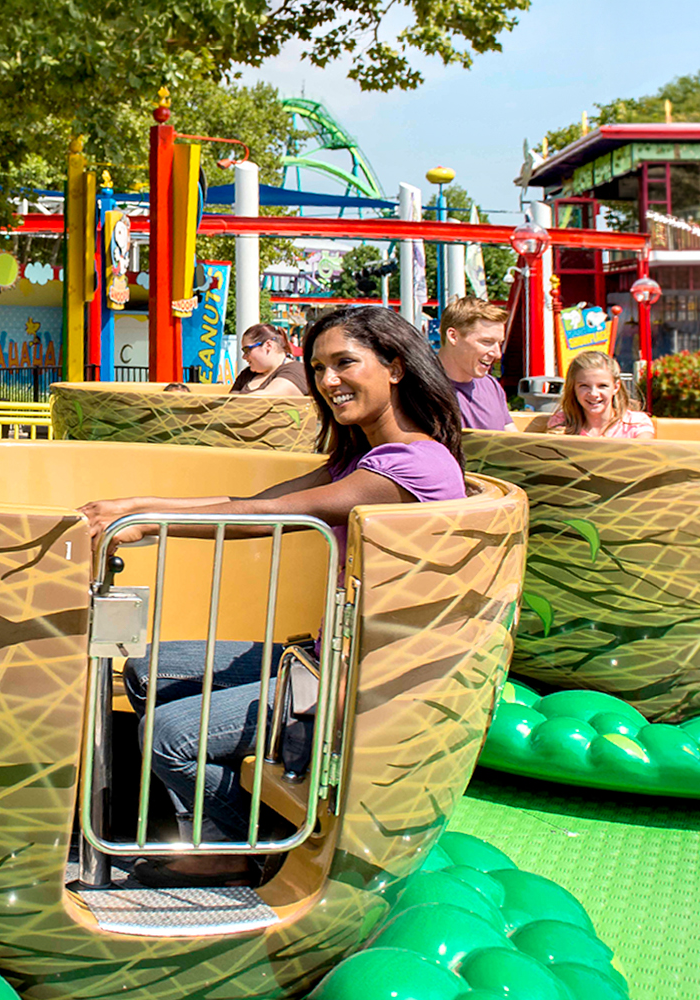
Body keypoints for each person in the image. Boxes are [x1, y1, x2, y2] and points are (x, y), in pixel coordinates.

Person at [80, 306, 465, 888]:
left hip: (361, 679)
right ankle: (209, 819)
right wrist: (133, 506)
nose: (329, 381)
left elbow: (270, 516)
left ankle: (241, 845)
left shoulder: (413, 465)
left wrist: (148, 523)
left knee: (168, 735)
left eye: (345, 363)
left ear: (395, 366)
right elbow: (254, 500)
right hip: (317, 657)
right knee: (144, 670)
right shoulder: (355, 459)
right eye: (318, 368)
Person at [438, 297, 516, 432]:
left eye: (500, 344)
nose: (497, 354)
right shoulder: (419, 388)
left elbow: (514, 442)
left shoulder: (491, 386)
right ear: (453, 336)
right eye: (487, 342)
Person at [546, 351, 654, 439]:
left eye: (602, 386)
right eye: (584, 386)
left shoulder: (635, 423)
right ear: (573, 388)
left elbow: (642, 459)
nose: (593, 394)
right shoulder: (562, 422)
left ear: (616, 387)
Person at [228, 324, 308, 396]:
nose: (244, 356)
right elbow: (228, 404)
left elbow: (266, 398)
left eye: (247, 350)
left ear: (268, 345)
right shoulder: (247, 374)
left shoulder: (296, 370)